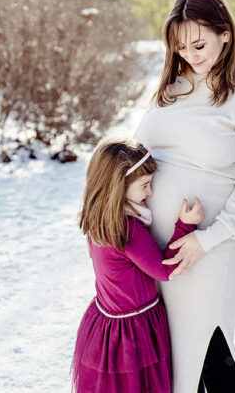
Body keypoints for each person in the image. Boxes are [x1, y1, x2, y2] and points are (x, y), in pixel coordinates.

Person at [134, 0, 235, 393]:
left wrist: (207, 239)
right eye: (181, 48)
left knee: (212, 351)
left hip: (213, 249)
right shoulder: (172, 89)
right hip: (157, 252)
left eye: (199, 44)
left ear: (226, 34)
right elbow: (137, 158)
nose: (191, 56)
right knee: (175, 361)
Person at [71, 138, 204, 393]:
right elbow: (165, 269)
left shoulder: (100, 220)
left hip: (105, 323)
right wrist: (185, 226)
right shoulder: (127, 229)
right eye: (145, 185)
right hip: (132, 332)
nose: (150, 192)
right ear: (118, 186)